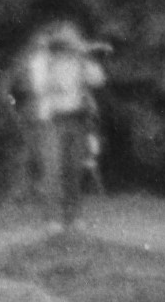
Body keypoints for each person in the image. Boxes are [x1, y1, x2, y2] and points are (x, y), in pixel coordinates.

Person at [13, 16, 106, 228]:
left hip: (77, 118)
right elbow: (39, 86)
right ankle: (53, 218)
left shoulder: (80, 60)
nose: (70, 43)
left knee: (74, 170)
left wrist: (84, 57)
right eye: (66, 38)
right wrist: (48, 58)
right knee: (53, 170)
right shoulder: (43, 60)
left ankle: (73, 217)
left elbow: (99, 80)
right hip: (53, 121)